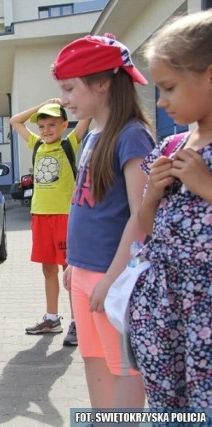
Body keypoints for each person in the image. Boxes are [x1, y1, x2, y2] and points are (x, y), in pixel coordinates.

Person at [53, 34, 154, 408]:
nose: (65, 99)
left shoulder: (133, 136)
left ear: (102, 83)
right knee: (92, 361)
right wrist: (72, 264)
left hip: (114, 279)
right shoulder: (93, 133)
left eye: (69, 88)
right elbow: (83, 205)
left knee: (125, 371)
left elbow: (143, 216)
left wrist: (110, 278)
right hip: (83, 274)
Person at [129, 10, 212, 409]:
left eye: (169, 88)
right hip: (163, 315)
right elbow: (148, 226)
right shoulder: (170, 147)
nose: (161, 102)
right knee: (168, 409)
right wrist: (151, 197)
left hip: (204, 316)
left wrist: (207, 187)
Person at [10, 99, 90, 346]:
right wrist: (42, 105)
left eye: (51, 124)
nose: (45, 130)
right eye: (42, 125)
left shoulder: (70, 143)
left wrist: (68, 100)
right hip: (40, 216)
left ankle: (78, 323)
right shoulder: (36, 145)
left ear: (64, 125)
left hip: (65, 216)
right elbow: (15, 121)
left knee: (70, 272)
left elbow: (87, 115)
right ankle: (52, 319)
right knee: (48, 269)